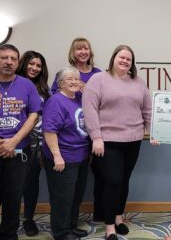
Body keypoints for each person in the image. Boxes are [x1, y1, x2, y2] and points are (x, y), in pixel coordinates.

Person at [83, 45, 158, 240]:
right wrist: (96, 137)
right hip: (107, 141)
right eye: (121, 57)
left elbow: (147, 109)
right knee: (113, 181)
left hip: (133, 140)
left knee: (124, 180)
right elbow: (89, 110)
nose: (125, 61)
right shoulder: (98, 80)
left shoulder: (138, 83)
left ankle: (118, 217)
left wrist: (152, 131)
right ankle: (109, 227)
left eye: (128, 59)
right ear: (113, 58)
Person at [0, 44, 41, 240]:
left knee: (13, 196)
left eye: (13, 59)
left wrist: (14, 141)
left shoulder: (27, 85)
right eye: (4, 58)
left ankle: (8, 234)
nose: (8, 62)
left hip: (19, 152)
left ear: (18, 62)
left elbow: (33, 115)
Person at [51, 37, 103, 222]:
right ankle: (66, 224)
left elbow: (104, 100)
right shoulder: (66, 74)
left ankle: (100, 214)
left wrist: (87, 89)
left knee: (97, 176)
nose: (82, 52)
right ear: (73, 53)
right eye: (78, 49)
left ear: (90, 52)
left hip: (94, 133)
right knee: (69, 183)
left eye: (85, 48)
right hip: (71, 133)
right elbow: (56, 99)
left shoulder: (98, 74)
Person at [43, 67, 90, 240]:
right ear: (60, 83)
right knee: (62, 198)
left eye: (77, 79)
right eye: (69, 79)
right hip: (63, 158)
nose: (74, 82)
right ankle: (61, 232)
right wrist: (57, 155)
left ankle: (71, 226)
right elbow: (49, 130)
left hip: (81, 156)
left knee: (75, 196)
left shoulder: (78, 99)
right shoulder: (56, 101)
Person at [17, 51, 51, 236]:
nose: (34, 68)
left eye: (38, 65)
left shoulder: (44, 89)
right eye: (31, 64)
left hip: (37, 144)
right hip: (15, 142)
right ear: (23, 63)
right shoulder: (13, 83)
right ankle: (7, 219)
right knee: (9, 183)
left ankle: (28, 219)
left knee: (31, 183)